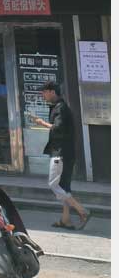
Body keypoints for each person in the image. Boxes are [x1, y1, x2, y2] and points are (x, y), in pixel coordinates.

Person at [30, 81, 90, 230]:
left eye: (44, 92)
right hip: (65, 153)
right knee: (64, 187)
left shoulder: (60, 108)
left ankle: (82, 211)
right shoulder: (59, 107)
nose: (42, 95)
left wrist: (41, 122)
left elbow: (58, 128)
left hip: (61, 153)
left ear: (52, 92)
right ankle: (65, 220)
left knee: (53, 184)